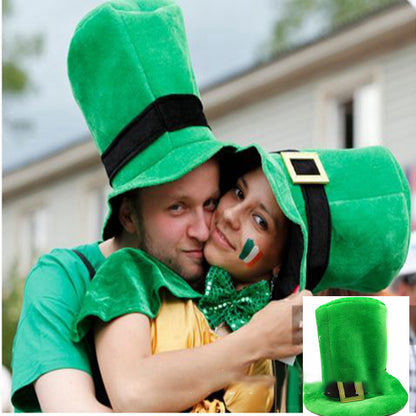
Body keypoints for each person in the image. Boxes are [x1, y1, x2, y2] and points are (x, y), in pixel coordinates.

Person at [10, 1, 305, 412]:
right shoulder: (62, 279)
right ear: (128, 214)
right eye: (177, 209)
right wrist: (252, 341)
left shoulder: (219, 274)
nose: (204, 229)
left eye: (209, 202)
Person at [71, 153, 293, 412]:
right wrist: (256, 339)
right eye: (237, 192)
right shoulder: (134, 273)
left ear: (284, 260)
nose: (231, 214)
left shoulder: (290, 322)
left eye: (260, 221)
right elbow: (132, 394)